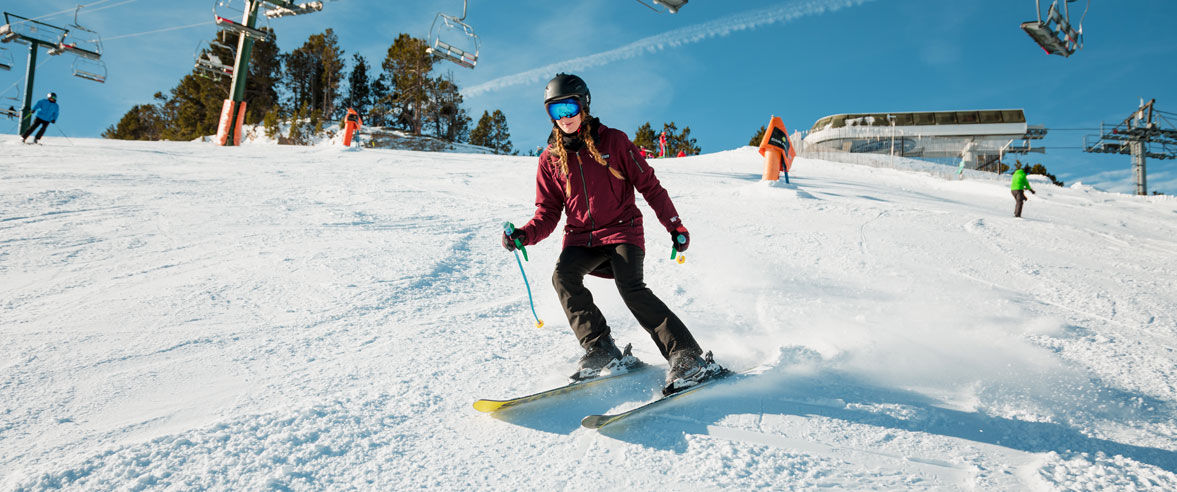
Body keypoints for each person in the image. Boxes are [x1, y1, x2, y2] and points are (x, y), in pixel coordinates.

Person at [502, 73, 720, 392]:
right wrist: (524, 234)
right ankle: (601, 347)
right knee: (562, 277)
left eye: (570, 108)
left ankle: (686, 355)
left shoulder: (614, 141)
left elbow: (650, 185)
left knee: (631, 288)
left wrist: (675, 225)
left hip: (622, 232)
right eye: (555, 111)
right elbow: (547, 212)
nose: (564, 117)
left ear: (584, 105)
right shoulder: (550, 159)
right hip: (581, 239)